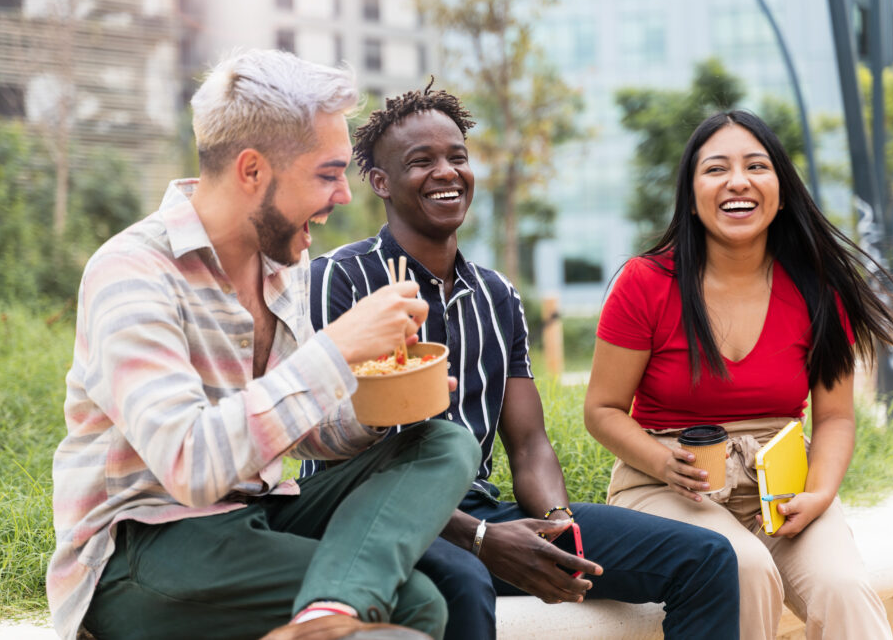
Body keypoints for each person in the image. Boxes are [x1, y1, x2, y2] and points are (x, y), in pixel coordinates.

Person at [45, 49, 483, 640]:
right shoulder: (132, 272)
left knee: (442, 442)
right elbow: (190, 466)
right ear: (252, 172)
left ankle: (330, 610)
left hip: (255, 515)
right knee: (417, 606)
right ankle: (337, 610)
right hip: (140, 551)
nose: (345, 196)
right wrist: (334, 349)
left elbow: (304, 433)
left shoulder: (281, 265)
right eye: (327, 174)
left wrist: (381, 403)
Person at [303, 84, 741, 640]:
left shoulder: (497, 296)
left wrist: (557, 526)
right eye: (421, 162)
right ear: (381, 182)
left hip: (478, 509)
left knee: (705, 557)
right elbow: (336, 459)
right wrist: (482, 541)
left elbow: (529, 443)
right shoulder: (337, 279)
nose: (446, 172)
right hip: (371, 521)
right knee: (463, 580)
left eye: (456, 157)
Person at [584, 110, 893, 639]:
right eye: (716, 169)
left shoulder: (819, 290)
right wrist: (665, 463)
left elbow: (834, 419)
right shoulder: (645, 283)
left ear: (780, 191)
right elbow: (600, 411)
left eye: (756, 165)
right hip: (668, 481)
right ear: (691, 196)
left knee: (845, 590)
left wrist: (820, 493)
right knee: (742, 568)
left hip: (782, 485)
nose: (738, 181)